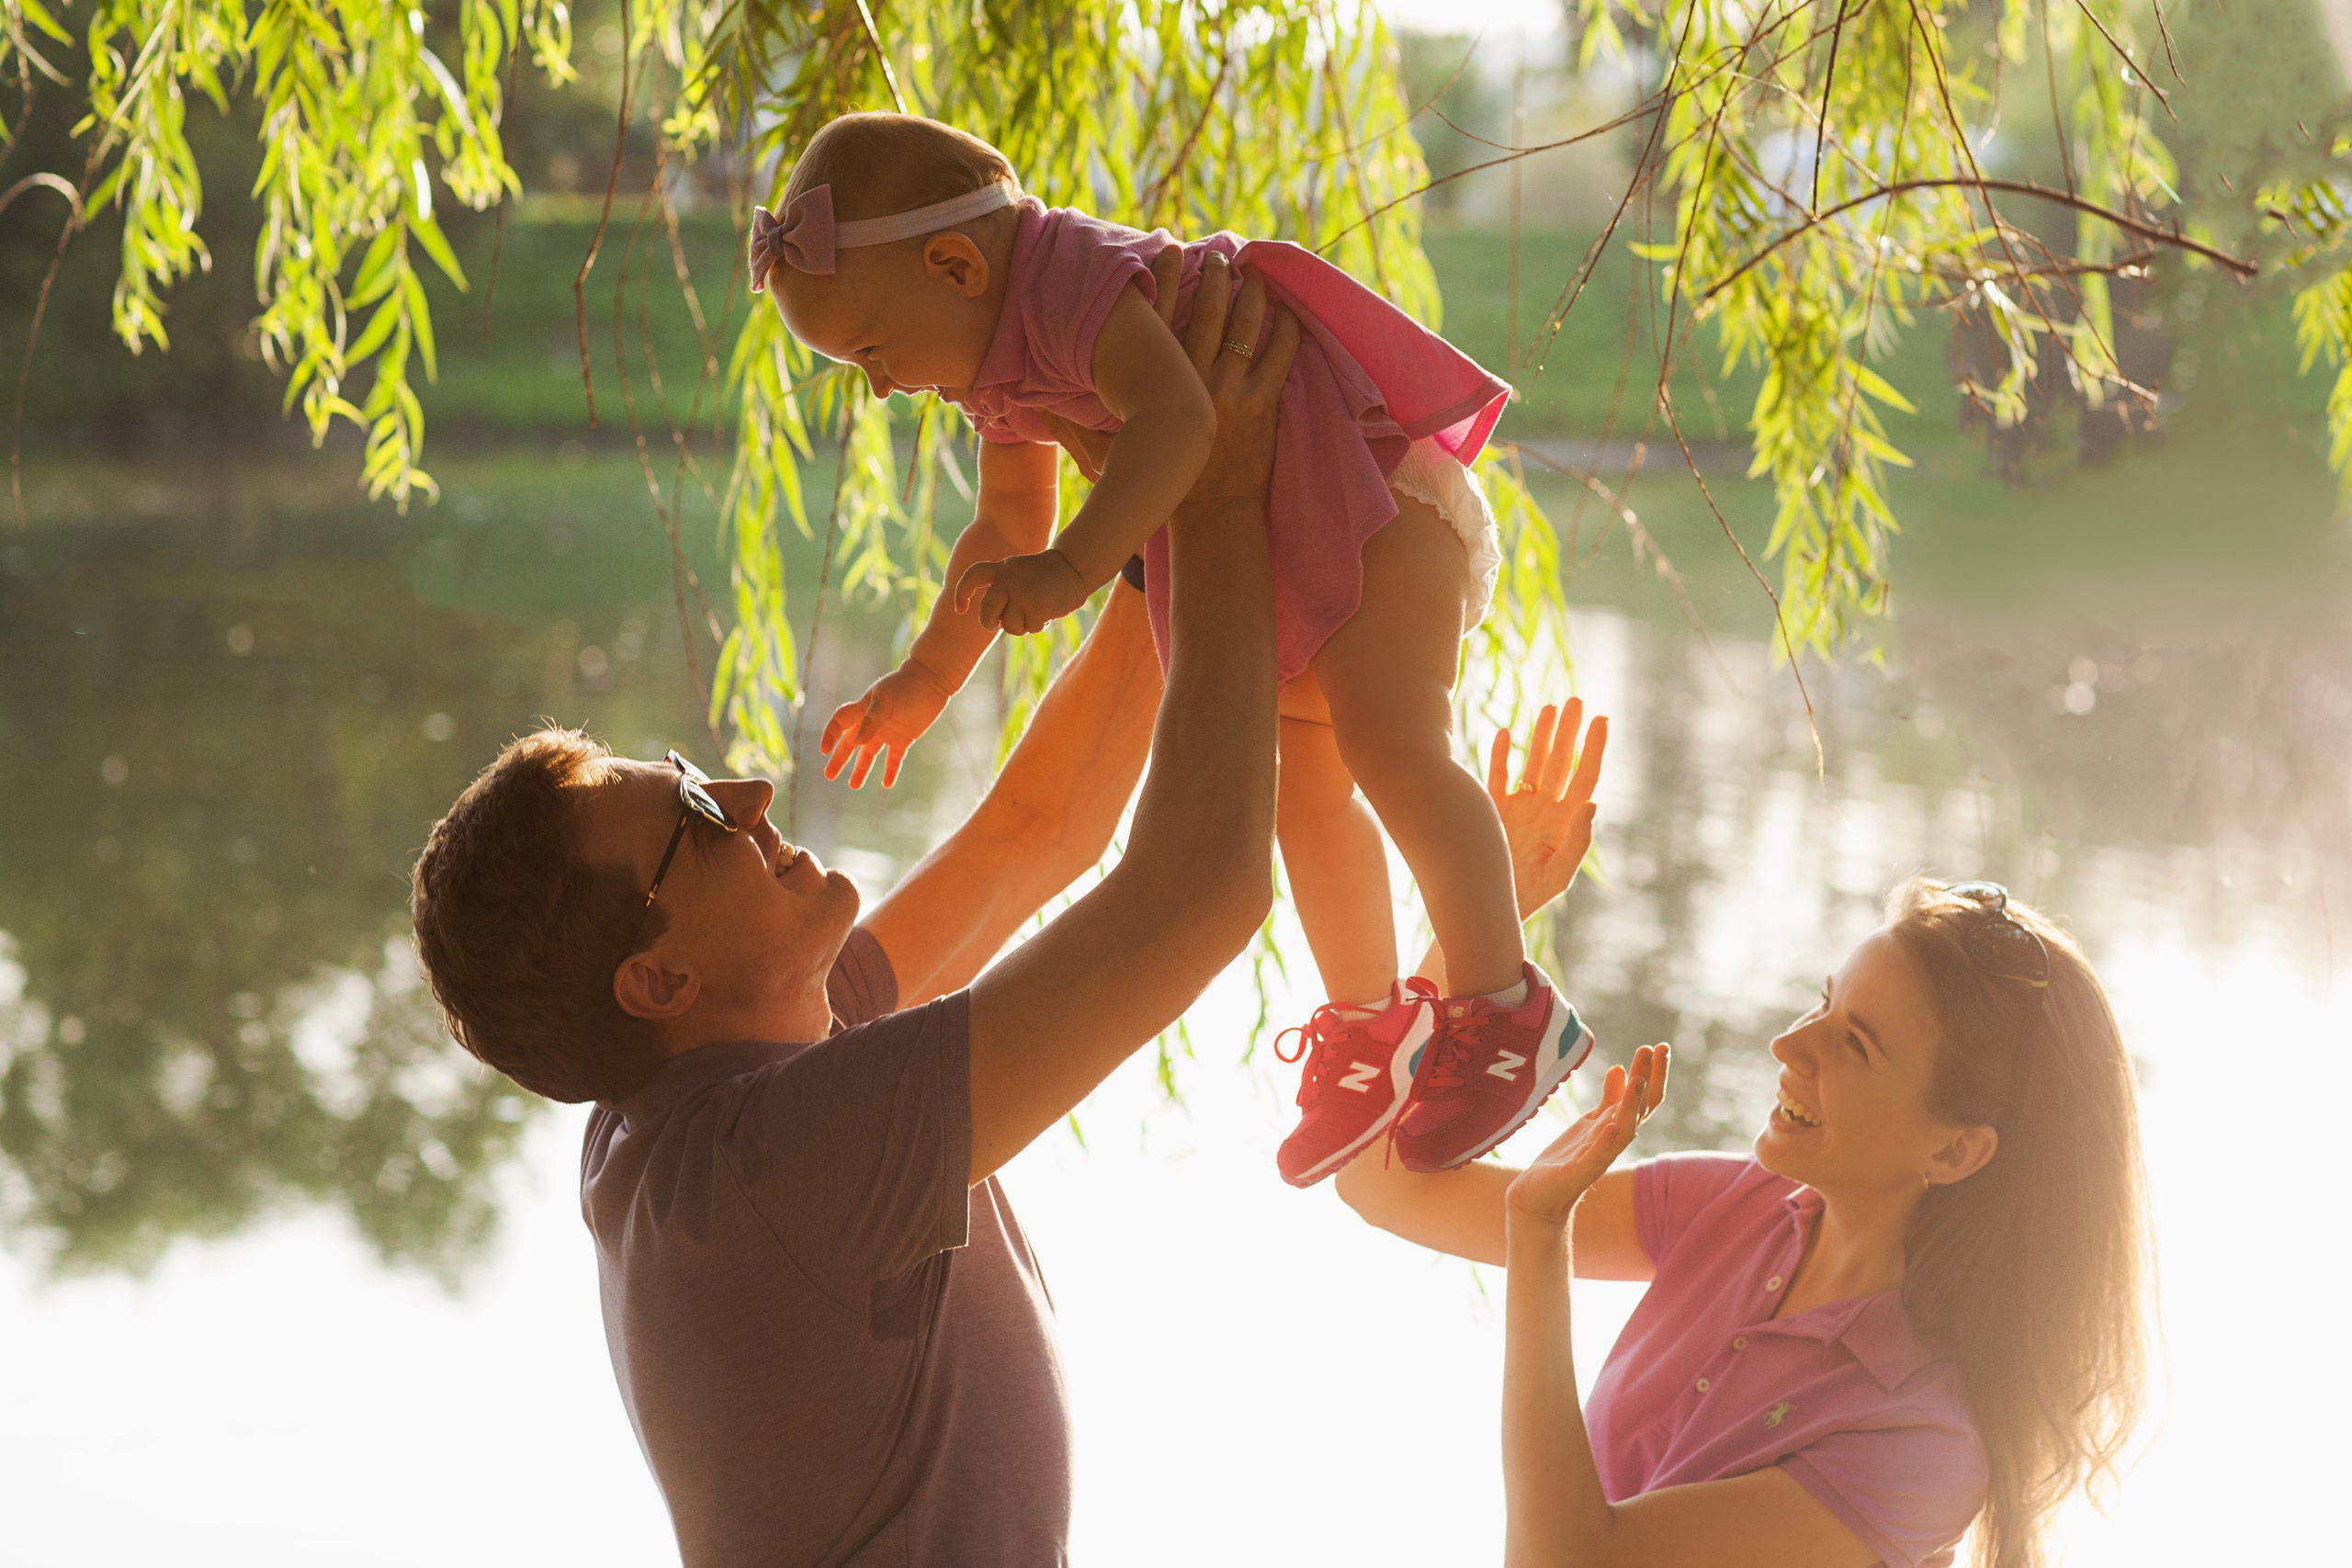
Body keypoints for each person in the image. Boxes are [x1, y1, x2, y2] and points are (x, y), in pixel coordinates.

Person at [407, 259, 1292, 1566]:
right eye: (697, 814)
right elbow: (1201, 896)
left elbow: (1035, 833)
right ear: (654, 980)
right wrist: (1220, 502)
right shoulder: (770, 1167)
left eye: (695, 772)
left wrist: (1152, 521)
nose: (752, 787)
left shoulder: (714, 1083)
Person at [750, 109, 1596, 1187]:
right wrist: (926, 677)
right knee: (1302, 790)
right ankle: (1377, 1029)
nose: (874, 385)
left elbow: (1180, 422)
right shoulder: (991, 369)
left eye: (870, 351)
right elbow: (1006, 523)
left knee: (1394, 741)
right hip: (1287, 539)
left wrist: (1074, 568)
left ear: (956, 263)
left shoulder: (1071, 283)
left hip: (1375, 494)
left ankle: (1504, 1003)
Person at [1340, 705, 2151, 1568]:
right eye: (1823, 1003)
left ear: (1956, 1150)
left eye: (1854, 1044)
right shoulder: (1739, 1209)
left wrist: (1541, 1232)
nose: (1788, 1045)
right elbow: (1377, 1182)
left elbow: (1569, 1560)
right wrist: (1481, 920)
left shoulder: (1921, 1436)